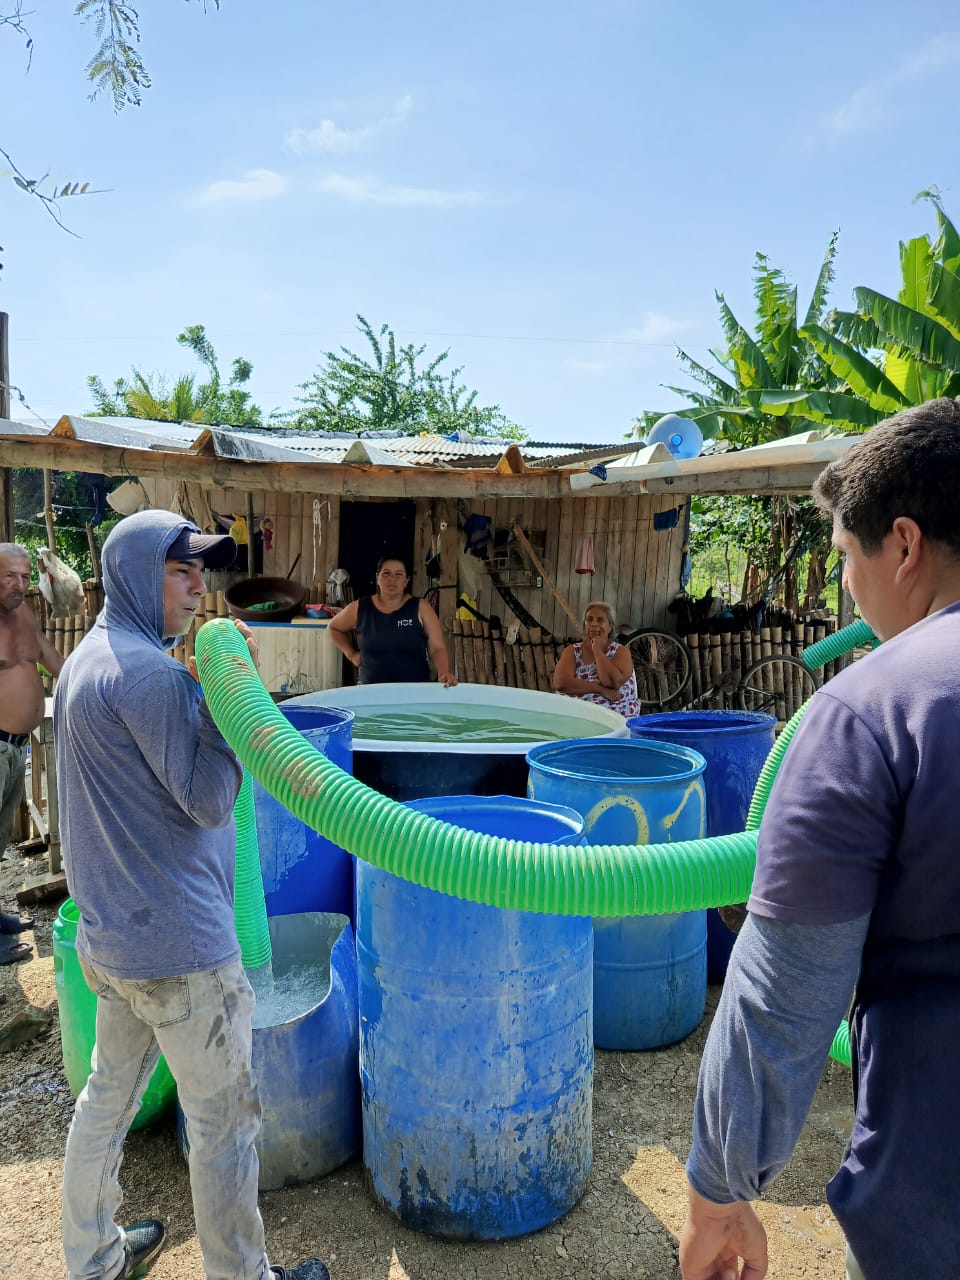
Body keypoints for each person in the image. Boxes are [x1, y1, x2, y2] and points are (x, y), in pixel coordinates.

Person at [679, 397, 960, 1280]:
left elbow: (785, 995)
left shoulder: (873, 710)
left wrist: (717, 1193)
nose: (845, 584)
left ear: (903, 547)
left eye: (843, 555)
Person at [55, 509, 328, 1280]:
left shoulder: (86, 660)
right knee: (223, 1125)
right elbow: (209, 800)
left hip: (114, 941)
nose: (197, 589)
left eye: (200, 573)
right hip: (181, 954)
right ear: (137, 575)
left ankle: (92, 1258)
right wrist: (223, 700)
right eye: (180, 572)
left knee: (107, 1099)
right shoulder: (152, 676)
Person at [0, 541, 63, 965]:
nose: (19, 585)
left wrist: (84, 682)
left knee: (0, 837)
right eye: (9, 576)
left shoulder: (23, 614)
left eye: (25, 577)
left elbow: (47, 655)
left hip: (16, 748)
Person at [328, 553, 457, 686]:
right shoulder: (360, 608)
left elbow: (437, 647)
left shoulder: (421, 607)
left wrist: (443, 672)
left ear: (406, 581)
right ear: (377, 578)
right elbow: (333, 628)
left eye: (399, 574)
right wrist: (351, 654)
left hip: (415, 690)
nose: (392, 579)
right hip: (370, 690)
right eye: (386, 573)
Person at [551, 600, 641, 718]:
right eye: (589, 620)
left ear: (610, 626)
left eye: (600, 620)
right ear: (585, 625)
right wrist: (600, 689)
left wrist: (597, 651)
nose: (593, 624)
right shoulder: (573, 651)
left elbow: (612, 682)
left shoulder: (621, 652)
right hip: (578, 714)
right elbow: (560, 683)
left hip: (615, 715)